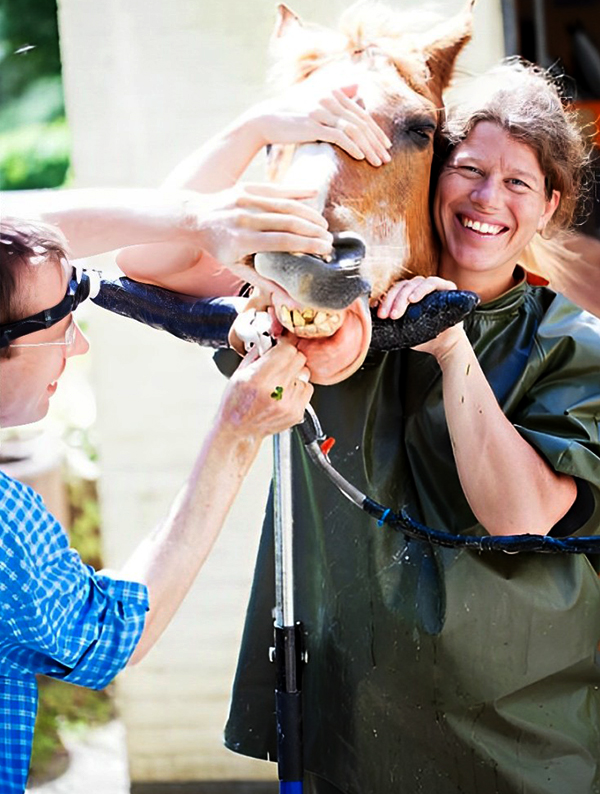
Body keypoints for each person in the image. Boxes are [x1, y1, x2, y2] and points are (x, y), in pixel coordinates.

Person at [108, 61, 600, 792]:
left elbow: (520, 518)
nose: (486, 198)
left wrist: (451, 347)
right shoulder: (335, 301)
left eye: (518, 182)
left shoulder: (575, 343)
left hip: (528, 742)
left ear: (550, 205)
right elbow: (144, 259)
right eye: (468, 170)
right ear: (433, 176)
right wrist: (259, 125)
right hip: (352, 729)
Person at [0, 216, 313, 793]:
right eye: (62, 328)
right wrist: (234, 435)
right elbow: (113, 635)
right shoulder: (4, 522)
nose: (80, 344)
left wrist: (201, 213)